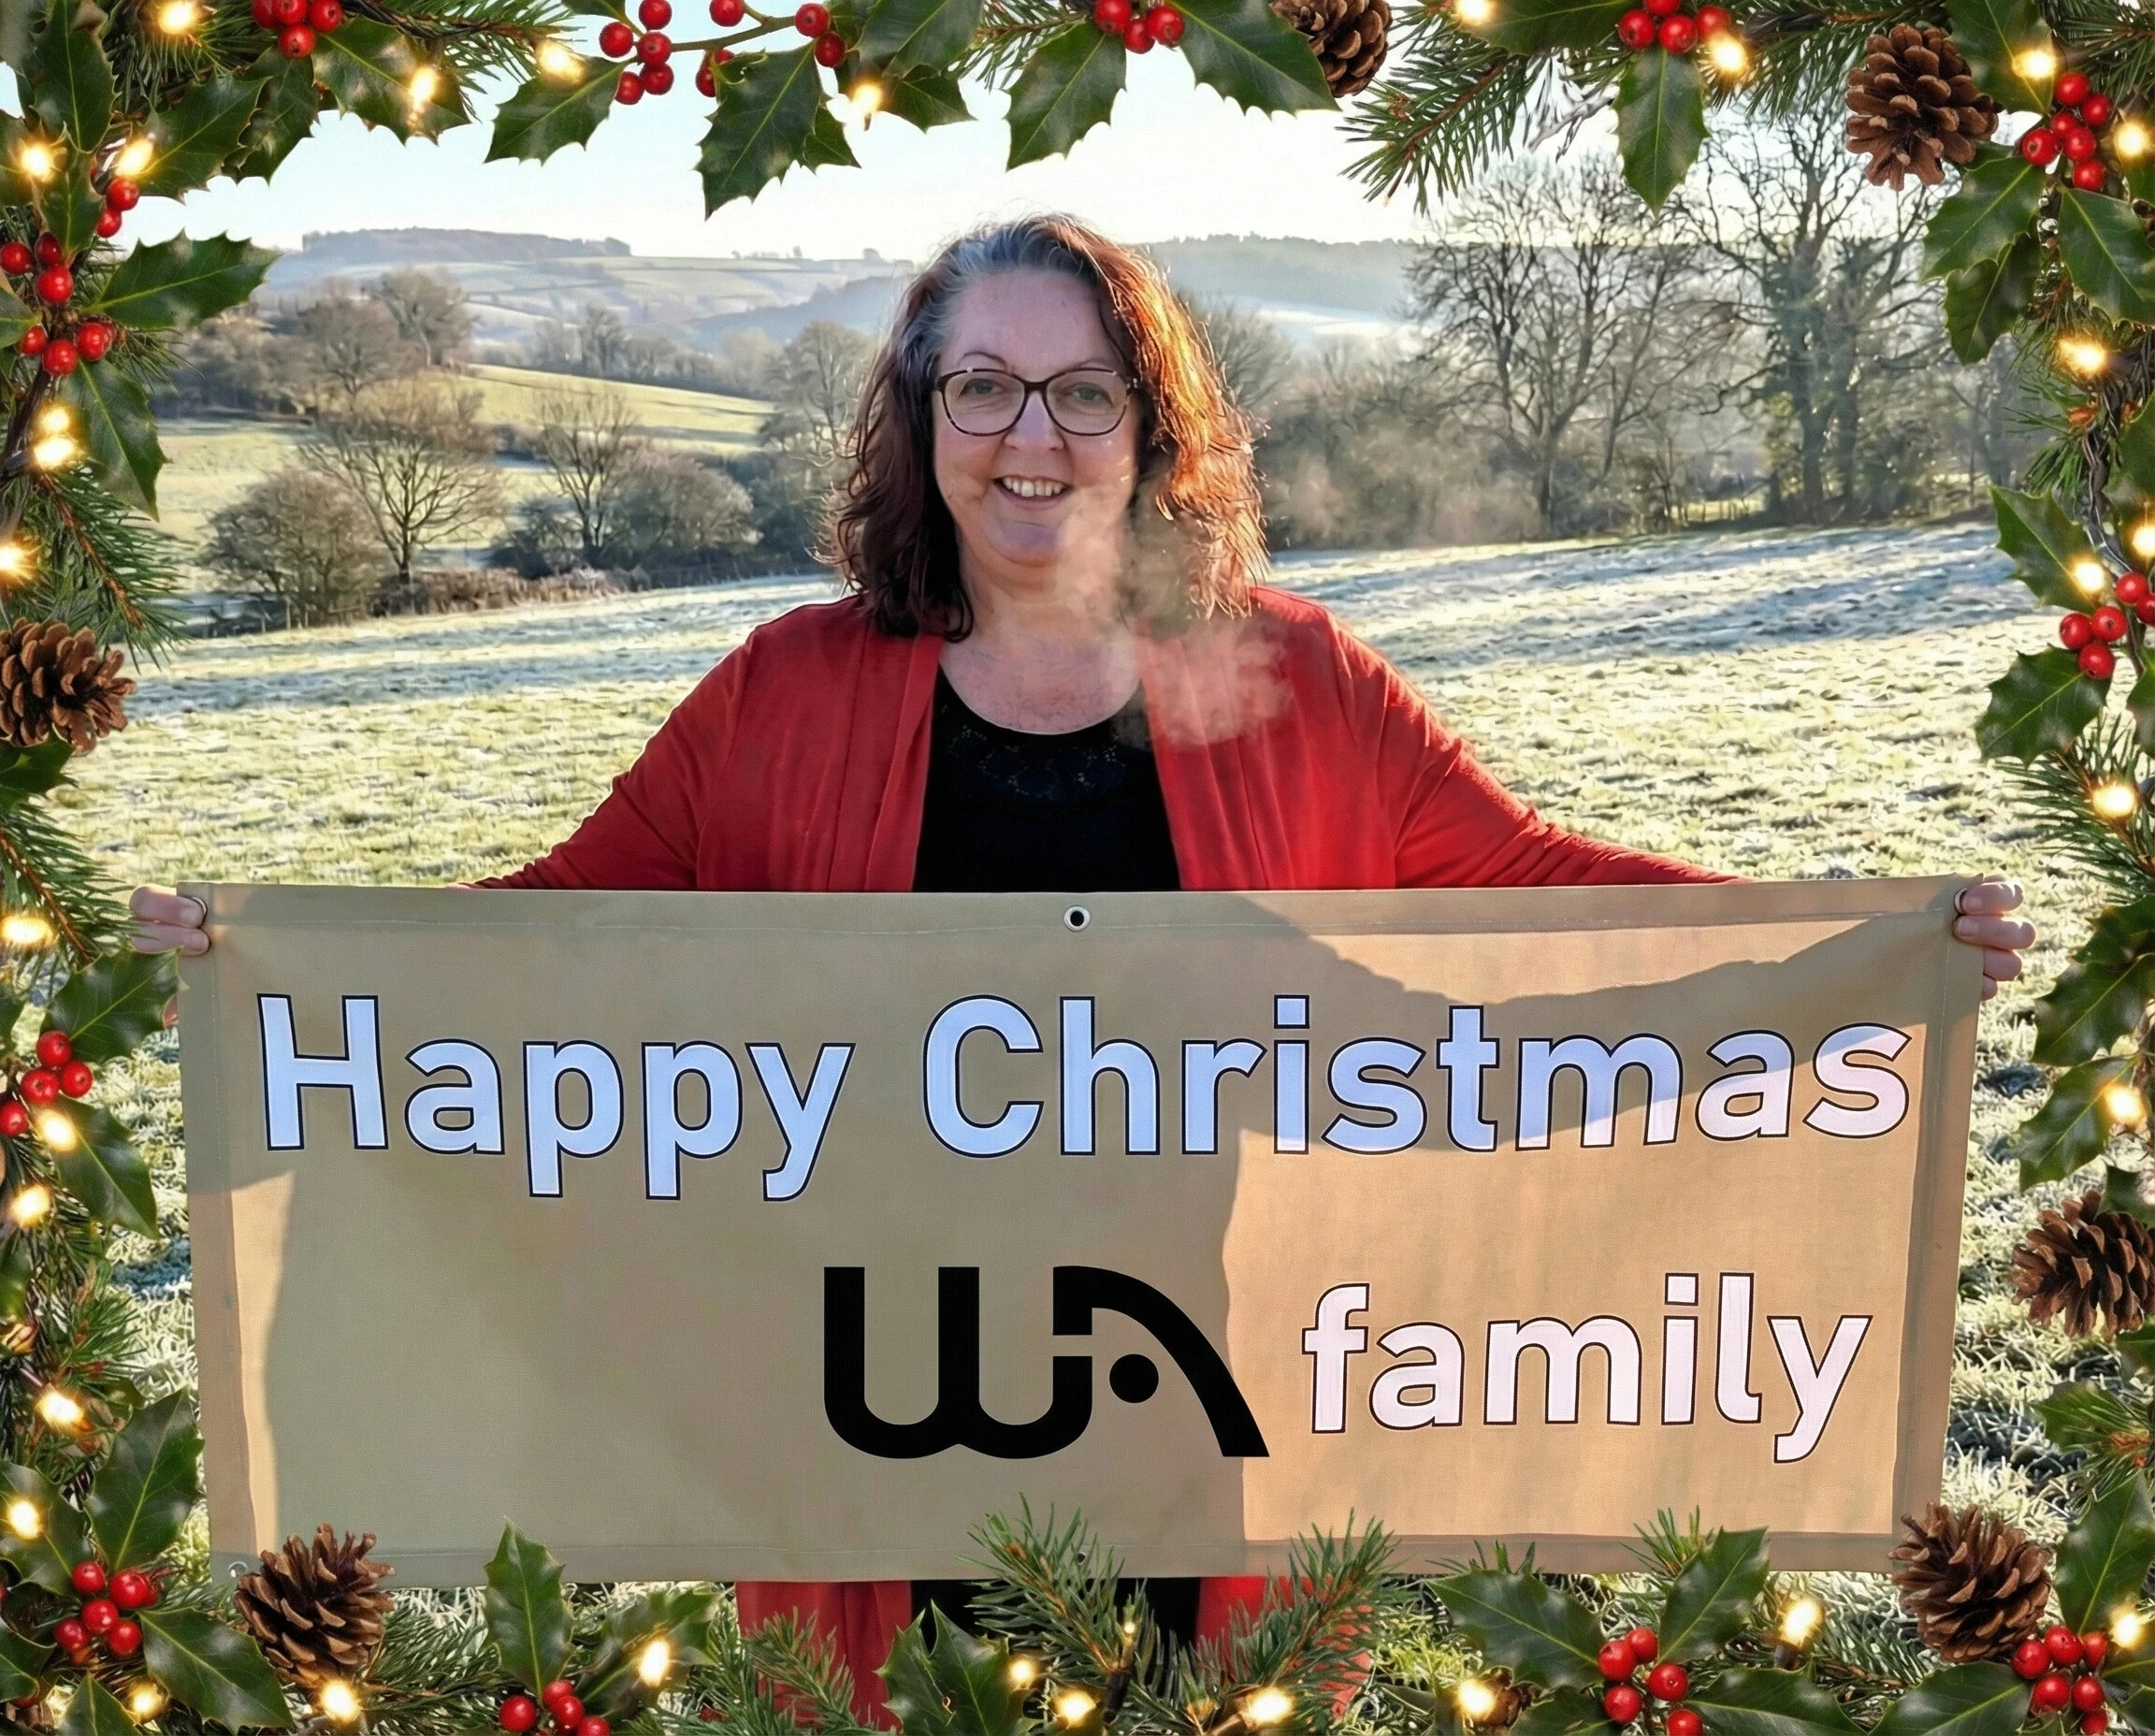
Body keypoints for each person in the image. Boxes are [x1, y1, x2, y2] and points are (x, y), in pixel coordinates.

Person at [132, 213, 2036, 1716]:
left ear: (1153, 424)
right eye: (980, 389)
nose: (1029, 439)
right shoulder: (784, 693)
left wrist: (1853, 947)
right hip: (865, 1409)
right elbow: (550, 931)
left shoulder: (1294, 682)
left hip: (1205, 1400)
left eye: (1079, 393)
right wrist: (272, 968)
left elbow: (1532, 883)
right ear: (919, 419)